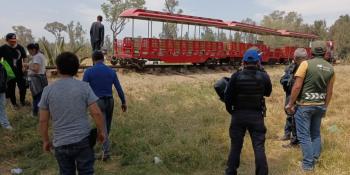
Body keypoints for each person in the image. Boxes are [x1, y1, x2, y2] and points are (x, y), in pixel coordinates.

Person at [39, 52, 106, 174]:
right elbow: (96, 113)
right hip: (83, 140)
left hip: (60, 142)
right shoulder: (84, 87)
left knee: (66, 172)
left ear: (58, 68)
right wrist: (101, 132)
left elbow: (43, 120)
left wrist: (45, 140)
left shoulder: (48, 90)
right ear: (76, 68)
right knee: (86, 171)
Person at [285, 41, 335, 171]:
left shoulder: (305, 64)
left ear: (311, 52)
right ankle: (315, 158)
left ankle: (307, 166)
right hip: (319, 105)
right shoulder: (330, 68)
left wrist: (290, 103)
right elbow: (329, 92)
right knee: (315, 133)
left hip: (304, 106)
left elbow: (297, 86)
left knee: (304, 135)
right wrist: (325, 106)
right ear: (325, 53)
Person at [224, 49, 272, 175]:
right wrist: (262, 71)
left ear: (243, 62)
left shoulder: (236, 76)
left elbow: (228, 97)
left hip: (238, 115)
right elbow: (268, 93)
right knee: (259, 147)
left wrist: (232, 112)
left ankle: (230, 172)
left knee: (235, 147)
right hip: (256, 116)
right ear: (258, 62)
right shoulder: (263, 76)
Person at [83, 50, 127, 161]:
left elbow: (83, 89)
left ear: (93, 60)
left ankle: (106, 152)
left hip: (97, 102)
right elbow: (118, 88)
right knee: (106, 125)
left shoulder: (89, 72)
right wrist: (123, 102)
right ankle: (102, 144)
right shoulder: (111, 71)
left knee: (102, 127)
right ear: (103, 59)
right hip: (110, 101)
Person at [279, 48, 308, 147]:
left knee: (296, 117)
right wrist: (287, 82)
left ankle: (295, 140)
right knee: (289, 114)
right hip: (290, 94)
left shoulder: (307, 68)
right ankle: (288, 134)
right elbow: (282, 79)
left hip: (300, 96)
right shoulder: (290, 67)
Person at [0, 33, 28, 108]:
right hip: (9, 72)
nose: (13, 42)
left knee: (23, 88)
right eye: (11, 41)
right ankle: (14, 104)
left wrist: (24, 66)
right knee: (11, 89)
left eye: (14, 40)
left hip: (20, 71)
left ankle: (22, 101)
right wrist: (3, 66)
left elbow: (25, 58)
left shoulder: (20, 48)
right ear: (7, 40)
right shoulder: (3, 48)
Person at [24, 43, 48, 117]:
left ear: (33, 49)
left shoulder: (37, 57)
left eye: (29, 51)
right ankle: (40, 112)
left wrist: (27, 66)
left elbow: (36, 69)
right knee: (40, 95)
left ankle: (35, 113)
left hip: (36, 79)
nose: (29, 53)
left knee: (36, 96)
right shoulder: (41, 55)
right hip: (40, 77)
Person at [0, 63, 12, 130]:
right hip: (2, 90)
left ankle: (5, 124)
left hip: (1, 90)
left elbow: (9, 76)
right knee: (2, 107)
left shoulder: (3, 65)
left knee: (2, 107)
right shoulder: (3, 65)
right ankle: (5, 124)